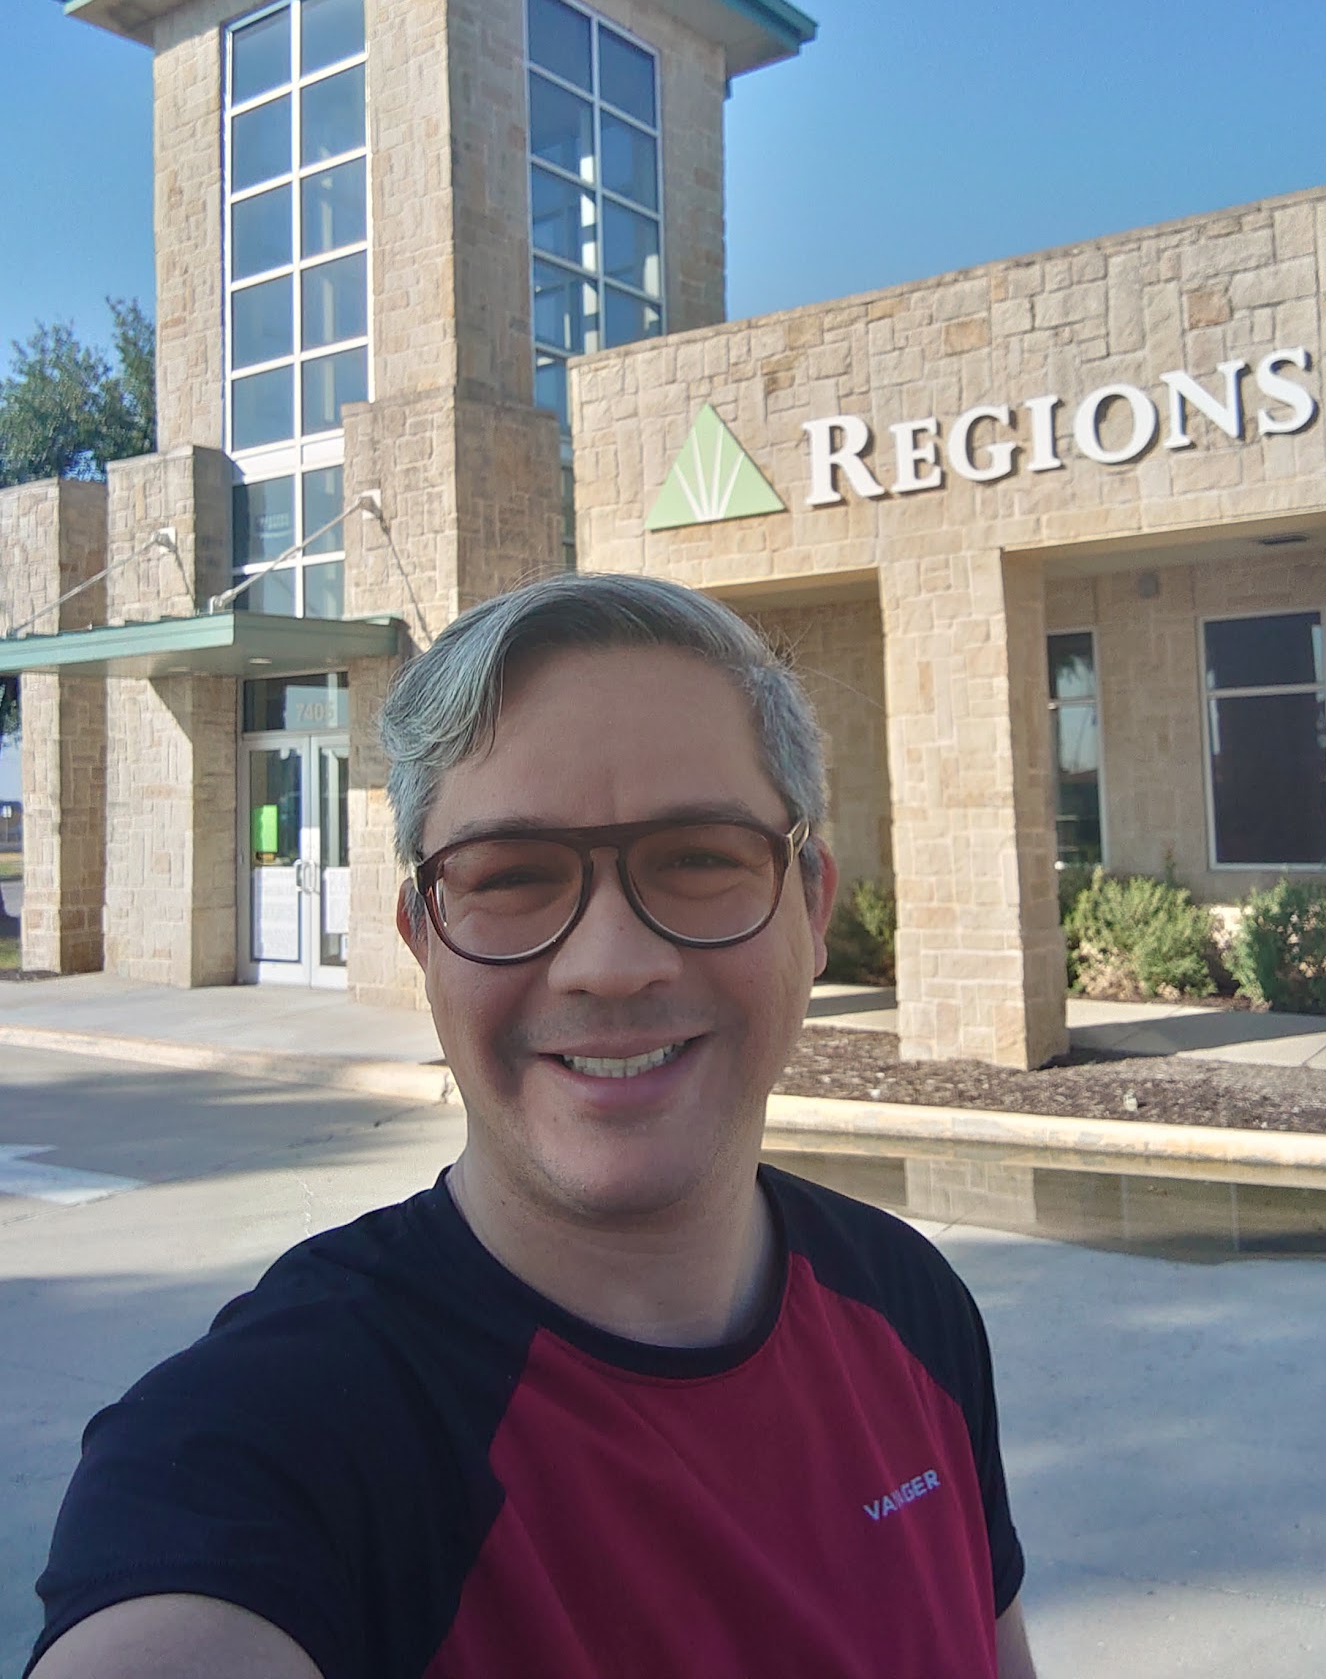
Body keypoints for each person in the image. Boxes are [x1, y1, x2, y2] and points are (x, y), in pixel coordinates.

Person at [29, 573, 1036, 1679]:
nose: (611, 962)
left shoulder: (910, 1304)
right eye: (510, 875)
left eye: (698, 856)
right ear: (423, 938)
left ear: (811, 902)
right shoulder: (265, 1443)